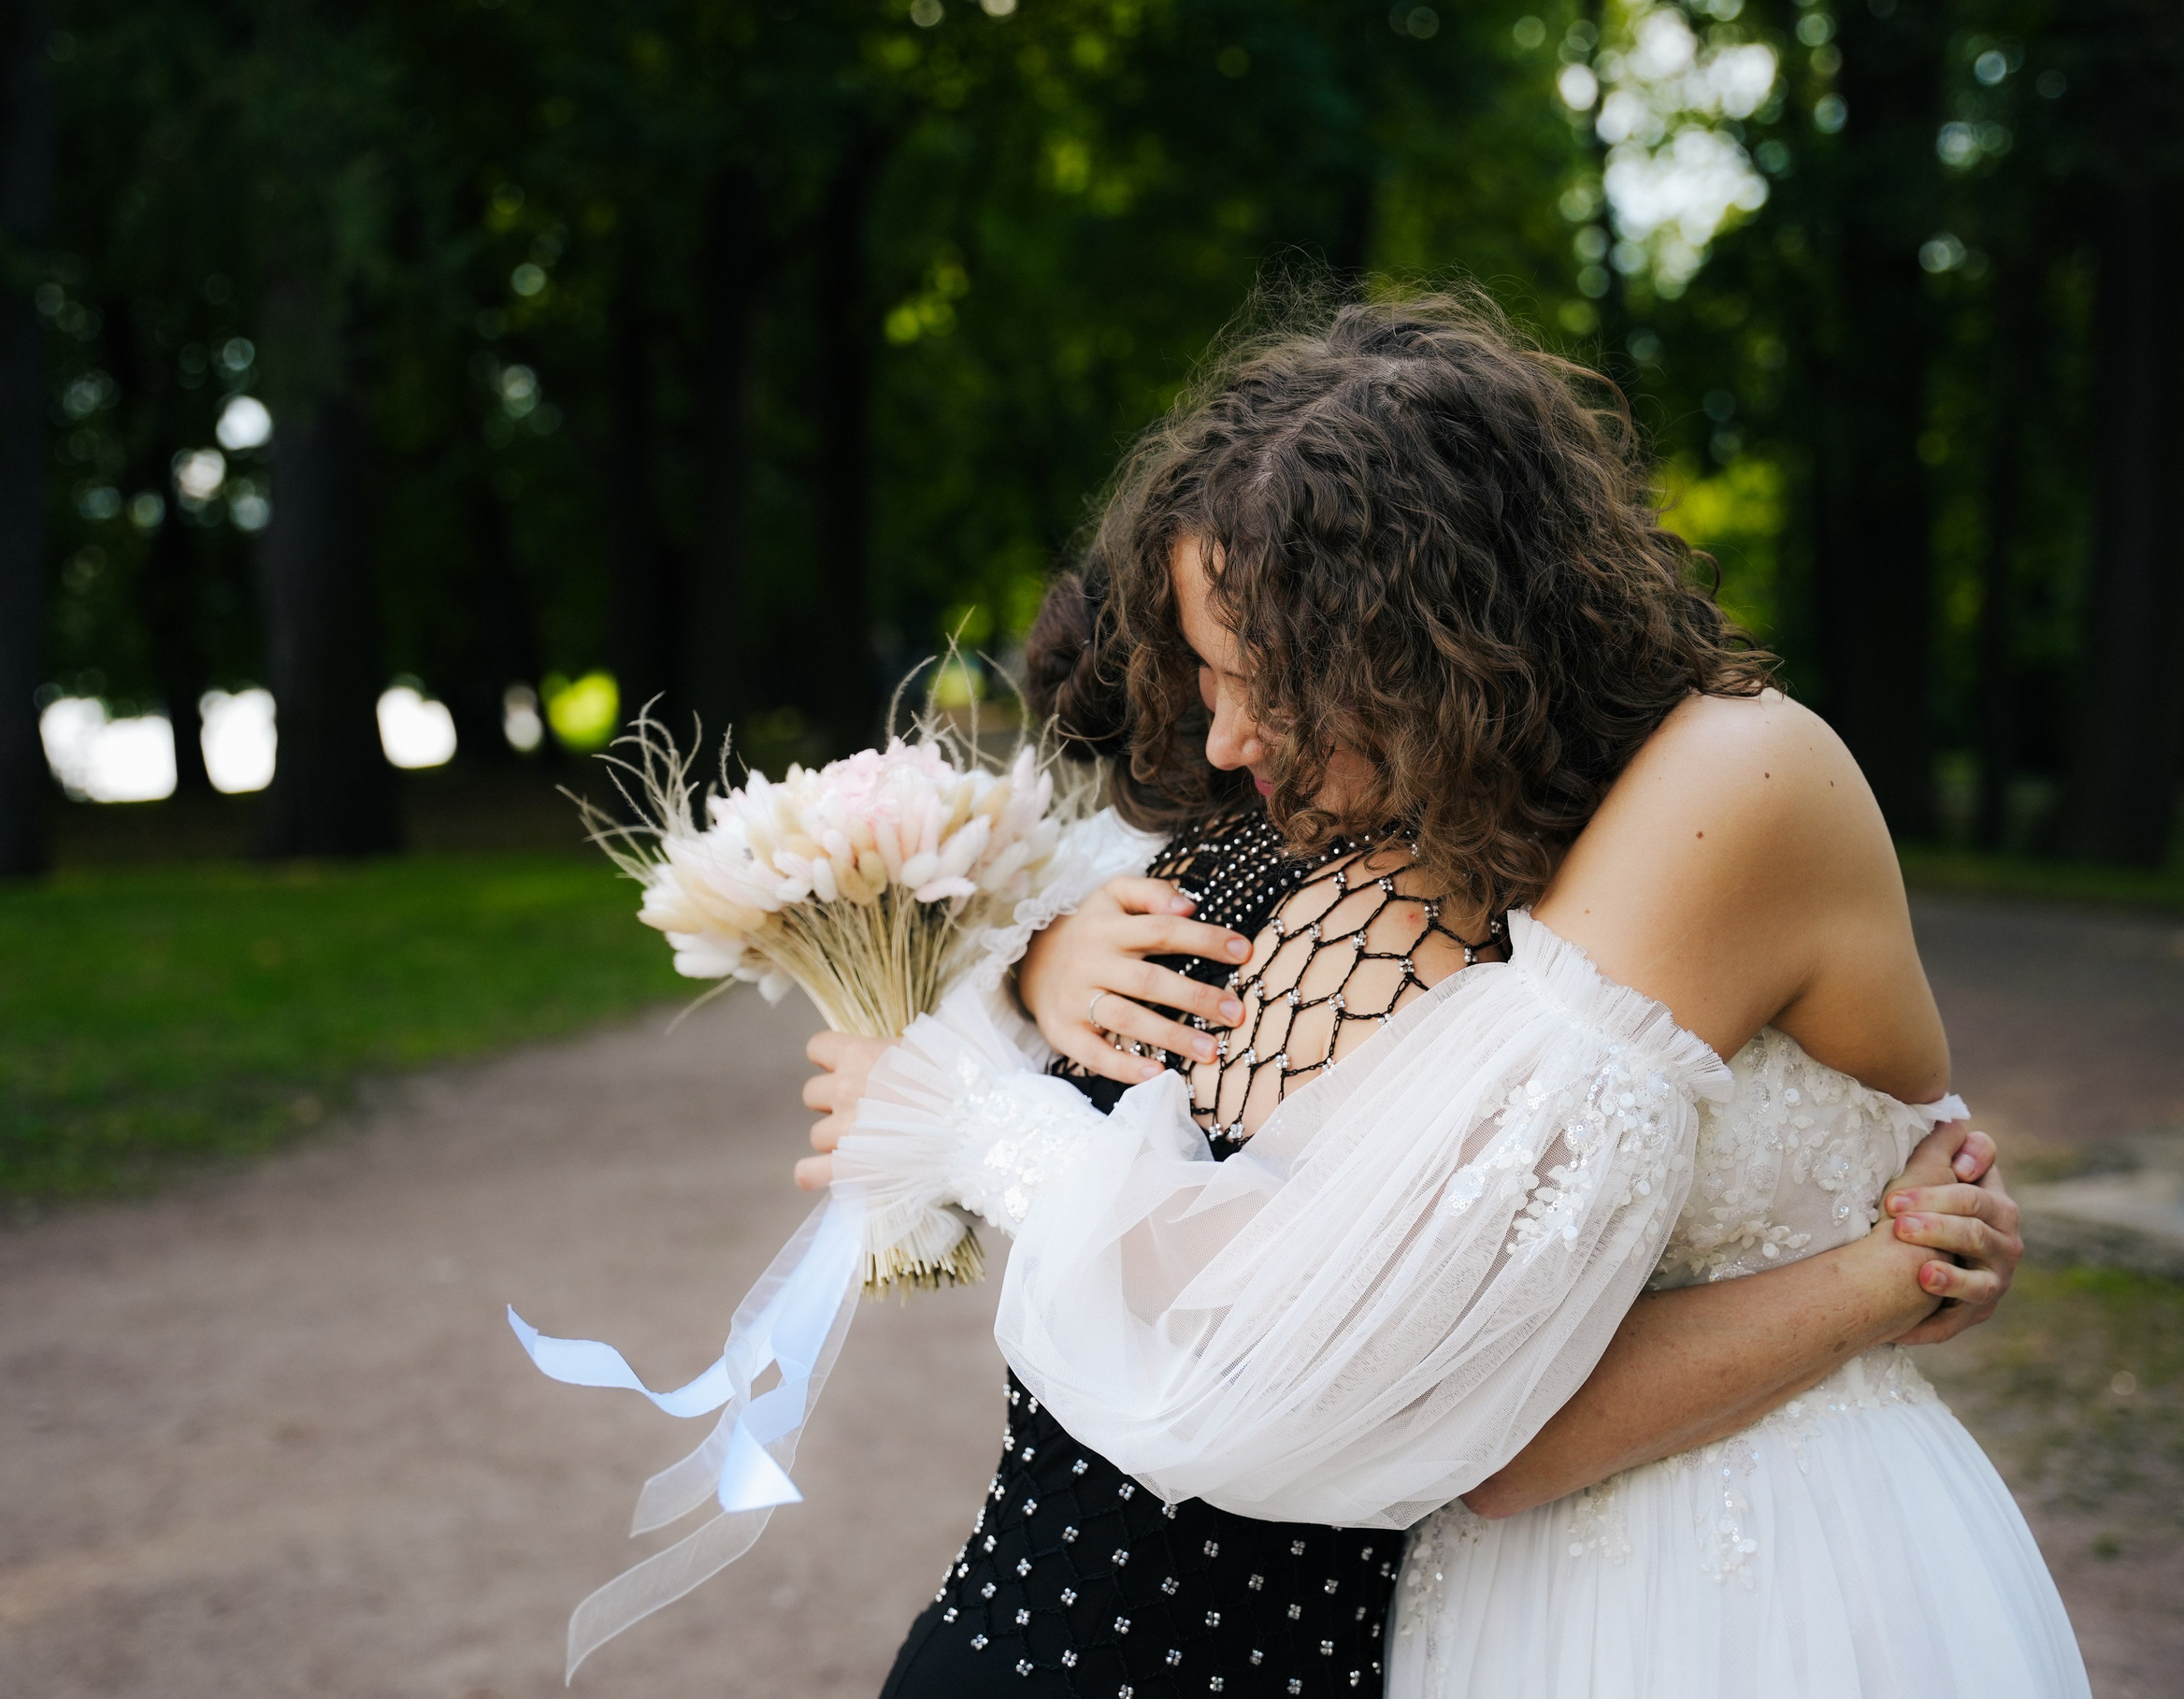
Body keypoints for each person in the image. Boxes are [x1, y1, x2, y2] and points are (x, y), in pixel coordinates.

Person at [798, 293, 2085, 1697]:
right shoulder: (1453, 804)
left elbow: (1450, 1389)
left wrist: (1884, 1274)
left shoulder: (1727, 782)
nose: (1228, 740)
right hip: (1478, 1596)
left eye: (1266, 685)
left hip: (1750, 1571)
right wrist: (1035, 965)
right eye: (1210, 676)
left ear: (1424, 641)